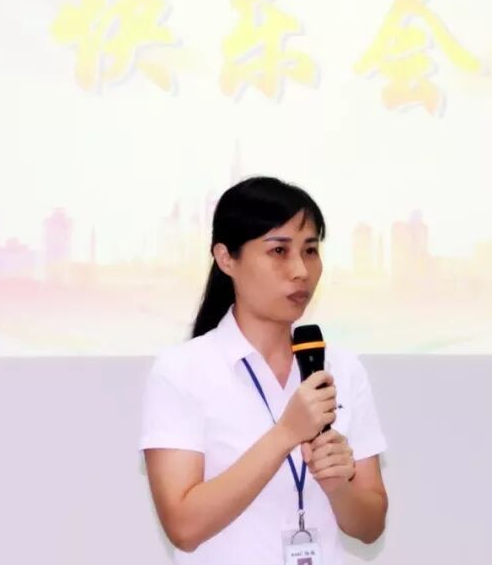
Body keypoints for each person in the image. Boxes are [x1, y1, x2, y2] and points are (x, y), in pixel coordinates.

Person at [139, 176, 388, 564]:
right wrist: (286, 434)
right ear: (226, 258)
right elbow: (183, 527)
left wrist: (338, 486)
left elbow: (371, 526)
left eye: (310, 250)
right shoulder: (183, 372)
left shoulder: (342, 367)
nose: (301, 270)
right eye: (279, 251)